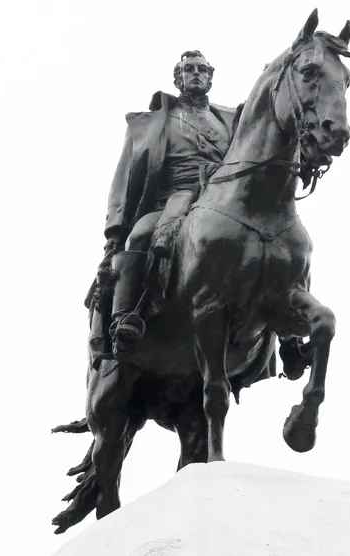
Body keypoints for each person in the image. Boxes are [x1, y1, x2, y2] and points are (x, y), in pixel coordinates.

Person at [88, 50, 238, 360]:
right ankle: (126, 317)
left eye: (201, 69)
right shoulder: (150, 124)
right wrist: (115, 229)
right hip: (171, 196)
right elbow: (123, 179)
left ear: (211, 76)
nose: (195, 74)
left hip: (223, 197)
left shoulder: (231, 120)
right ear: (178, 78)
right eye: (189, 70)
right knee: (141, 236)